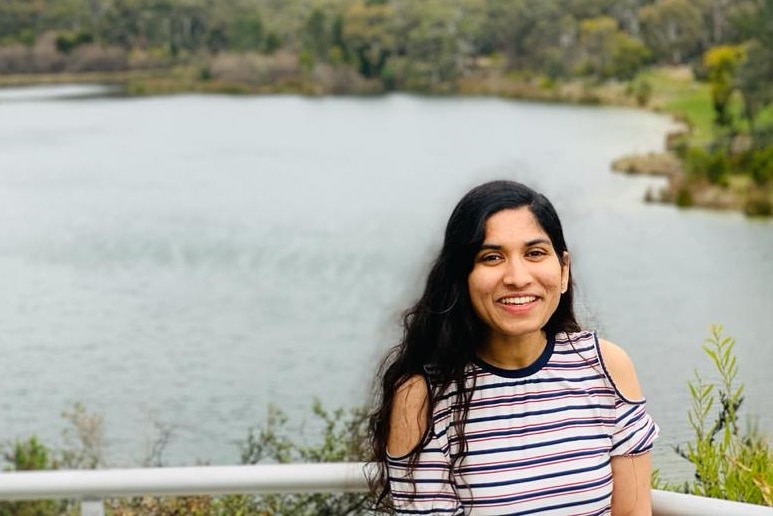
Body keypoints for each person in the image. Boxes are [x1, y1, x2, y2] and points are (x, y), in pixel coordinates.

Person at [368, 180, 658, 515]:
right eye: (492, 257)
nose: (517, 277)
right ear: (461, 278)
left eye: (535, 253)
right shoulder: (423, 398)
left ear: (563, 270)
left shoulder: (606, 368)